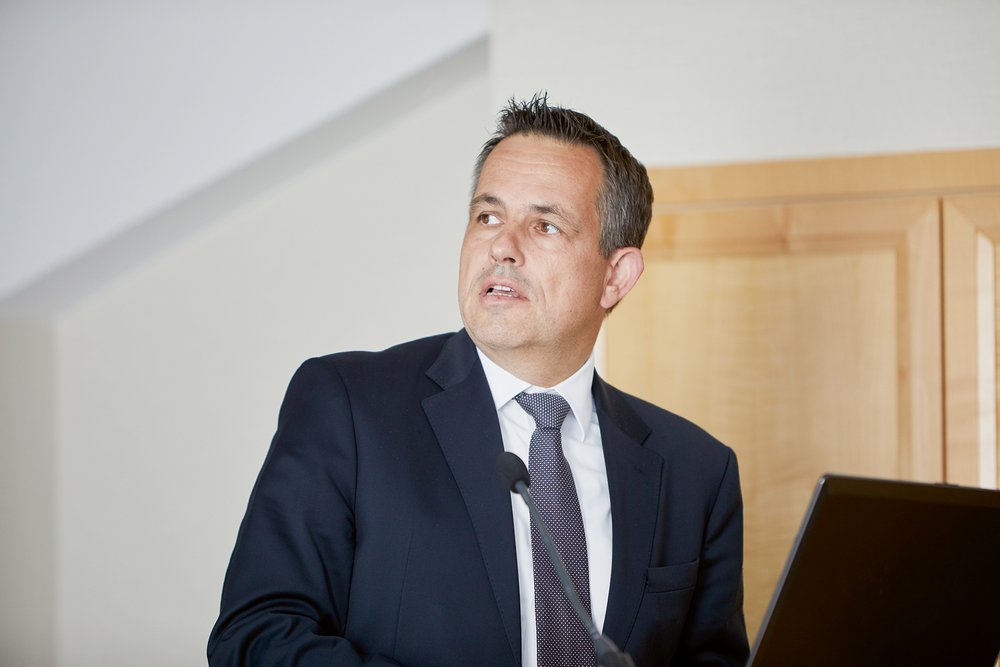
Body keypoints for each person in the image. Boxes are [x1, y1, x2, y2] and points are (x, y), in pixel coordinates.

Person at [208, 95, 748, 666]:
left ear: (615, 276)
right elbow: (256, 635)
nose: (501, 247)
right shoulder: (348, 406)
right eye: (487, 217)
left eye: (544, 226)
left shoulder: (696, 470)